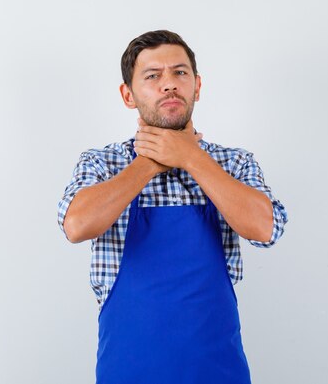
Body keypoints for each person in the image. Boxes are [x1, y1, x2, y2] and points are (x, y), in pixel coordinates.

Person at [57, 30, 288, 384]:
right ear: (128, 95)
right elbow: (77, 225)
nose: (169, 85)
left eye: (180, 73)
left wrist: (192, 158)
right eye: (152, 76)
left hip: (218, 373)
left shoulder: (234, 163)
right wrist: (150, 161)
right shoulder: (103, 163)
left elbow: (265, 229)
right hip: (126, 373)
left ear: (197, 86)